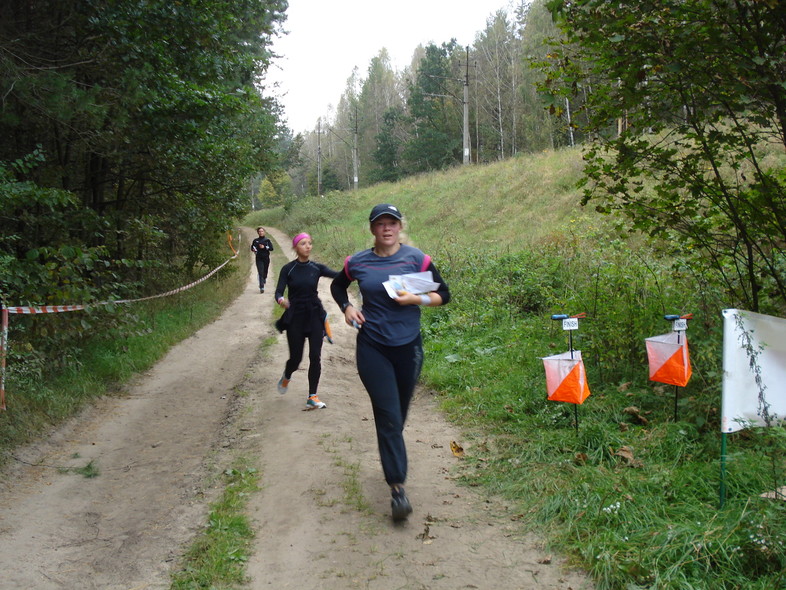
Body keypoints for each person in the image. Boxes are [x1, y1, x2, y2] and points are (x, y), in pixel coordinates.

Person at [330, 204, 450, 521]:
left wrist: (416, 298)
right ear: (372, 229)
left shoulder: (416, 259)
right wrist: (346, 307)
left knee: (397, 417)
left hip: (408, 347)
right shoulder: (357, 262)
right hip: (373, 347)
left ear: (399, 227)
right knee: (387, 415)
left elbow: (443, 294)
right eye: (380, 224)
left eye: (392, 223)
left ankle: (391, 452)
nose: (386, 228)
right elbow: (336, 285)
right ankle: (398, 489)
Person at [274, 232, 339, 410]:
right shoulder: (288, 269)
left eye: (310, 243)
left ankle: (313, 396)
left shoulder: (316, 268)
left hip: (314, 315)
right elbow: (278, 292)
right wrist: (281, 301)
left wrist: (354, 269)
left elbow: (338, 275)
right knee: (296, 359)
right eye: (303, 243)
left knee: (315, 357)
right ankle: (287, 374)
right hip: (295, 317)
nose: (308, 246)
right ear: (295, 247)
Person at [251, 227, 274, 293]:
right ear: (258, 232)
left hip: (266, 258)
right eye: (259, 231)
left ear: (264, 232)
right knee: (260, 272)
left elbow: (271, 248)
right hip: (259, 258)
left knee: (265, 271)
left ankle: (264, 278)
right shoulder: (255, 240)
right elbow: (252, 247)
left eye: (262, 231)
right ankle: (261, 287)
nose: (261, 232)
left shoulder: (267, 240)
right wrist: (254, 249)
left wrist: (264, 247)